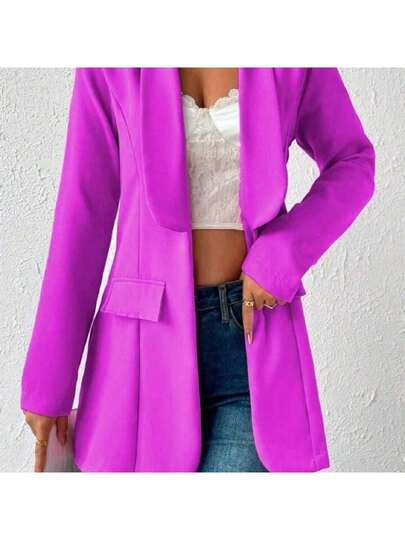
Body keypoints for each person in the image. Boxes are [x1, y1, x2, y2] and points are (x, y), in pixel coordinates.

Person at [21, 68, 375, 472]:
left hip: (250, 346)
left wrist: (280, 255)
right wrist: (49, 382)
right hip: (140, 356)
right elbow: (84, 212)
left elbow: (353, 161)